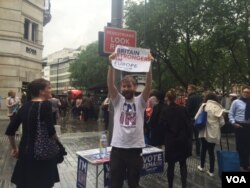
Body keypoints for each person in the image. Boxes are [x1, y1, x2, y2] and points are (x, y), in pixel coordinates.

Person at [108, 52, 153, 188]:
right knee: (115, 184)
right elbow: (110, 84)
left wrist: (149, 66)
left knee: (134, 183)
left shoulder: (141, 101)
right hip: (117, 149)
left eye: (130, 86)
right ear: (121, 87)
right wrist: (111, 65)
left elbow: (149, 85)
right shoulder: (117, 100)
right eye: (124, 86)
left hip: (135, 149)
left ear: (135, 87)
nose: (127, 89)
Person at [5, 78, 60, 188]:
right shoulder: (46, 105)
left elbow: (10, 130)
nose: (51, 90)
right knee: (43, 184)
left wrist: (14, 148)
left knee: (26, 183)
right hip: (42, 153)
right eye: (49, 87)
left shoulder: (24, 106)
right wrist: (58, 141)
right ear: (41, 91)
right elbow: (51, 131)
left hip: (25, 152)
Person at [159, 89, 192, 188]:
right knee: (183, 164)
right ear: (176, 98)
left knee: (171, 165)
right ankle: (184, 185)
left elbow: (161, 126)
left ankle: (170, 186)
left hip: (171, 141)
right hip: (182, 140)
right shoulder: (183, 109)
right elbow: (188, 125)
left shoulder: (165, 111)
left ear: (167, 98)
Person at [195, 92, 225, 176]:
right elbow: (222, 123)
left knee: (203, 149)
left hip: (204, 131)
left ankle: (202, 166)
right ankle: (211, 171)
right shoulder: (219, 108)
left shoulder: (204, 105)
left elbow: (196, 117)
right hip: (214, 132)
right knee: (211, 151)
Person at [228, 86, 250, 171]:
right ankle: (239, 163)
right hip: (239, 125)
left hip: (248, 126)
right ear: (242, 92)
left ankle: (246, 164)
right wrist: (233, 123)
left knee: (248, 146)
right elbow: (231, 113)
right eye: (244, 91)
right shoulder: (236, 102)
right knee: (240, 145)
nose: (246, 93)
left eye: (248, 92)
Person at [186, 84, 203, 156]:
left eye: (189, 89)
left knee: (189, 136)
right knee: (197, 137)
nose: (187, 90)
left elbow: (188, 109)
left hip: (190, 119)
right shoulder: (200, 97)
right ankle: (198, 152)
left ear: (193, 90)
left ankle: (189, 151)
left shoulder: (190, 98)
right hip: (198, 118)